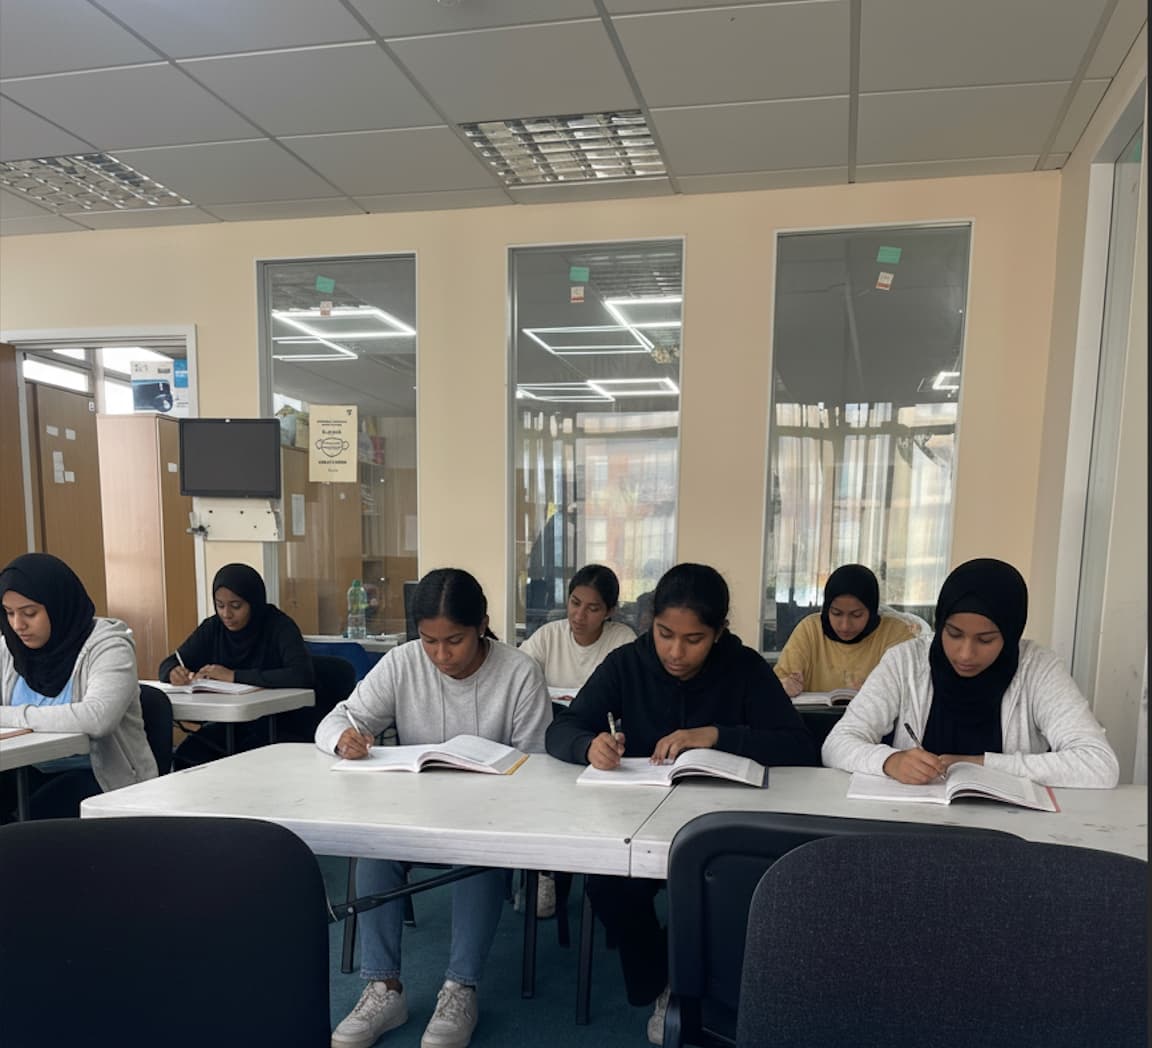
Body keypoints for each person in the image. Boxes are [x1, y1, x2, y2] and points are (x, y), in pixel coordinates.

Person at [546, 562, 818, 1045]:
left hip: (724, 819)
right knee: (608, 887)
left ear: (719, 632)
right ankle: (664, 982)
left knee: (737, 887)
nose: (675, 652)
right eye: (665, 634)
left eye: (694, 639)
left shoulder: (745, 667)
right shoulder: (628, 663)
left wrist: (716, 736)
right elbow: (561, 729)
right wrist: (589, 746)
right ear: (651, 621)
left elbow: (798, 745)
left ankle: (710, 981)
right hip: (638, 816)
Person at [317, 568, 550, 1048]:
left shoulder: (519, 672)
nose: (441, 656)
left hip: (489, 819)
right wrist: (342, 739)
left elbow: (541, 770)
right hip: (413, 813)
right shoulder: (403, 664)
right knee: (374, 843)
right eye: (428, 641)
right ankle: (385, 986)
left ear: (483, 624)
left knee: (479, 853)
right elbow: (342, 716)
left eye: (455, 640)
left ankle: (459, 988)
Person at [822, 558, 1119, 788]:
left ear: (1011, 633)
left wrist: (978, 765)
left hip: (1010, 836)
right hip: (913, 826)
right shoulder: (906, 661)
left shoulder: (1037, 668)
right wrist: (890, 761)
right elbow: (837, 744)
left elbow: (1099, 764)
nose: (965, 654)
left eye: (985, 640)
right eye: (953, 633)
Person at [0, 552, 157, 819]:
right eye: (9, 613)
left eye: (29, 613)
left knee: (25, 826)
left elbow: (98, 718)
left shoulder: (108, 645)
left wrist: (12, 716)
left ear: (58, 604)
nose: (18, 625)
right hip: (27, 768)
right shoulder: (10, 647)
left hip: (101, 777)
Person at [519, 563, 635, 918]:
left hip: (602, 740)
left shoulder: (623, 640)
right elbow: (517, 677)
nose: (579, 615)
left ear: (610, 612)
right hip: (553, 740)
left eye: (593, 607)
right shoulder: (549, 636)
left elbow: (629, 699)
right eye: (574, 602)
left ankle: (590, 870)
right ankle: (546, 869)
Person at [159, 563, 313, 767]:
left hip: (277, 726)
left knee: (245, 763)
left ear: (254, 602)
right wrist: (173, 672)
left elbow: (301, 675)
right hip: (227, 726)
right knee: (187, 758)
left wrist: (233, 676)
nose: (226, 614)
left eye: (236, 606)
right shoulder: (213, 628)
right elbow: (169, 662)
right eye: (220, 605)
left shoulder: (279, 627)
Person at [773, 563, 922, 698]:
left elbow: (915, 689)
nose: (845, 626)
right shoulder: (811, 629)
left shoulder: (895, 633)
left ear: (871, 611)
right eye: (836, 613)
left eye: (856, 615)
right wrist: (784, 685)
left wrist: (882, 692)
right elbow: (778, 681)